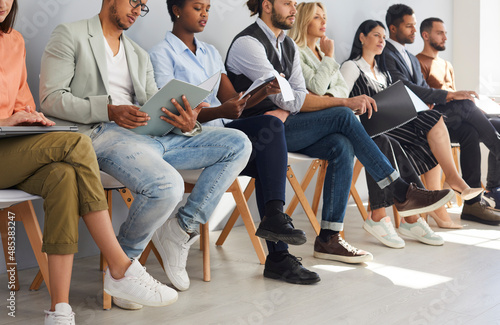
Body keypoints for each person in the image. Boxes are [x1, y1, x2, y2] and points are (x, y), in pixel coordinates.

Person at [39, 0, 252, 309]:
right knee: (168, 185)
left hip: (151, 136)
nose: (138, 9)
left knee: (238, 143)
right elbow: (51, 99)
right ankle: (125, 269)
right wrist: (108, 110)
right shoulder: (69, 34)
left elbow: (155, 104)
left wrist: (185, 121)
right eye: (133, 2)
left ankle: (180, 230)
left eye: (143, 5)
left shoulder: (137, 53)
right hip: (100, 135)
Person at [225, 0, 454, 265]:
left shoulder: (286, 45)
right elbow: (286, 96)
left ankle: (329, 238)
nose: (293, 9)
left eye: (295, 4)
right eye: (287, 3)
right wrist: (304, 102)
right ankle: (400, 190)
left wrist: (293, 103)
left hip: (287, 124)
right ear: (266, 5)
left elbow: (295, 98)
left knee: (341, 144)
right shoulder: (248, 43)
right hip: (259, 131)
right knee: (345, 115)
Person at [0, 1, 178, 323]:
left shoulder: (14, 40)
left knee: (64, 177)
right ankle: (120, 267)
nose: (2, 3)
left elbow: (22, 100)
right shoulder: (69, 34)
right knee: (79, 142)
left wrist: (28, 116)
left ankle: (59, 309)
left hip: (13, 147)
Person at [149, 0, 319, 285]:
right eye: (197, 8)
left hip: (225, 132)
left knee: (271, 126)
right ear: (177, 9)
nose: (205, 14)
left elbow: (233, 102)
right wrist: (220, 111)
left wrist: (263, 91)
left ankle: (275, 224)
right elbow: (170, 111)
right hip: (192, 140)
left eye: (207, 8)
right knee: (268, 154)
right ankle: (277, 253)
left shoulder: (210, 53)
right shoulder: (161, 54)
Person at [288, 3, 473, 249]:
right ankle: (403, 197)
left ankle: (396, 215)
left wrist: (332, 87)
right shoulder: (299, 51)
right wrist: (331, 64)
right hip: (330, 122)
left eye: (325, 16)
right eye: (317, 17)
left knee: (390, 139)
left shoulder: (325, 56)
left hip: (351, 123)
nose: (324, 22)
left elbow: (338, 91)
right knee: (381, 130)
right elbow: (324, 92)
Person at [339, 19, 485, 233]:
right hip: (367, 127)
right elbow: (340, 102)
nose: (382, 40)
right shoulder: (352, 66)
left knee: (430, 132)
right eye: (376, 35)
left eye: (383, 37)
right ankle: (448, 183)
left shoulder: (383, 72)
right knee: (433, 119)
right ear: (362, 37)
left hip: (390, 124)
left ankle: (427, 206)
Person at [382, 3, 500, 225]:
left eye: (414, 26)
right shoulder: (386, 53)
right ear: (393, 28)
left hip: (429, 115)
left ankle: (472, 205)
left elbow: (421, 90)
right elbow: (404, 87)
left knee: (469, 132)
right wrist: (448, 95)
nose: (413, 31)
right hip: (410, 120)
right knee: (464, 104)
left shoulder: (408, 57)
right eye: (409, 26)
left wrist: (446, 97)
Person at [416, 17, 500, 212]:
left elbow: (455, 99)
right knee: (465, 104)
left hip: (456, 120)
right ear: (426, 35)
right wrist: (463, 103)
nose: (445, 37)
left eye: (445, 33)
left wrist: (476, 107)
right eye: (440, 33)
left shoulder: (447, 64)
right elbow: (424, 100)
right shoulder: (418, 62)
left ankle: (482, 197)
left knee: (489, 124)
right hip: (435, 122)